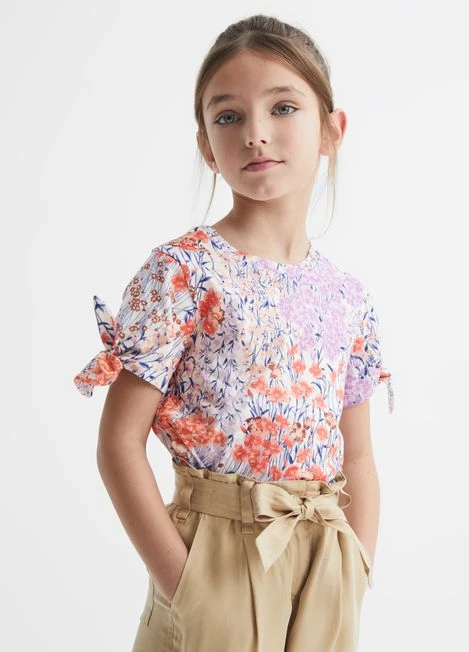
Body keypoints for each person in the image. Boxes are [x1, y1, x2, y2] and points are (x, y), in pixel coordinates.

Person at [74, 13, 394, 652]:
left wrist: (355, 566)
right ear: (205, 145)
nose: (255, 133)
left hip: (326, 556)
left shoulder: (348, 297)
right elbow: (119, 442)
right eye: (228, 116)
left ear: (331, 130)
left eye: (283, 108)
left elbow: (357, 455)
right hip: (216, 557)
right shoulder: (185, 271)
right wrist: (185, 583)